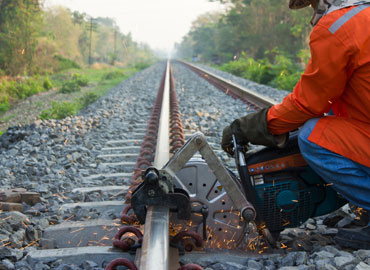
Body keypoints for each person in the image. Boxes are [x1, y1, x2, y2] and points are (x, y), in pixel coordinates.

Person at [221, 0, 370, 249]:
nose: (313, 12)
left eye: (312, 4)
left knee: (312, 135)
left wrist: (253, 126)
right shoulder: (362, 14)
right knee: (333, 111)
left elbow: (308, 104)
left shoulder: (337, 26)